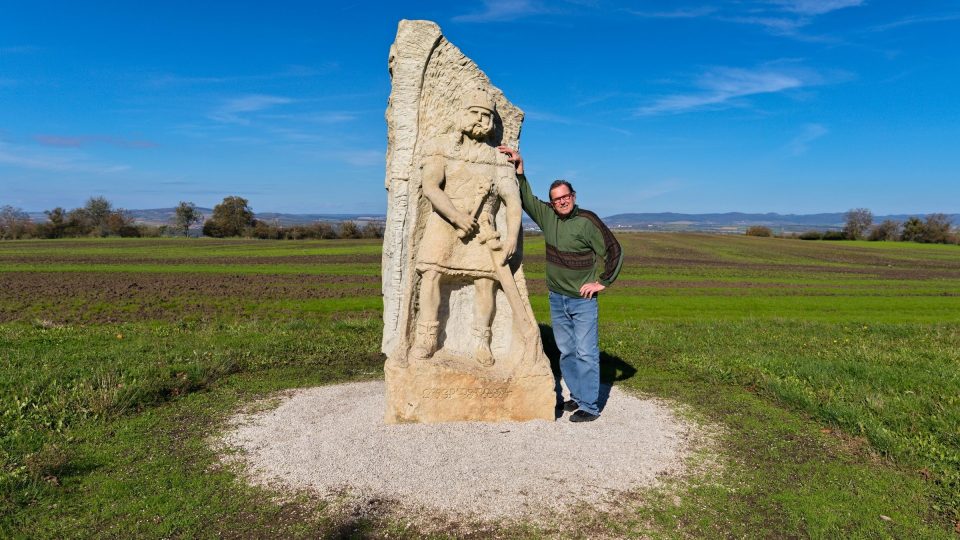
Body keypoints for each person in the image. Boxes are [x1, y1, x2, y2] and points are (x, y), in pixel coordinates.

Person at [497, 146, 623, 422]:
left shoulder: (587, 221)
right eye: (556, 199)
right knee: (567, 352)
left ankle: (590, 406)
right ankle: (578, 396)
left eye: (565, 197)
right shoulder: (549, 217)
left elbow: (614, 250)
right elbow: (528, 200)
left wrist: (603, 282)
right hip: (557, 298)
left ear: (573, 197)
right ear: (552, 203)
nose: (562, 202)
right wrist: (520, 170)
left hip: (582, 300)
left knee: (586, 352)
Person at [410, 90, 521, 366]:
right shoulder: (442, 148)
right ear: (462, 114)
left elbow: (513, 201)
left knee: (485, 282)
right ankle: (426, 337)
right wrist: (457, 216)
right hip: (445, 222)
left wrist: (513, 239)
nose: (481, 120)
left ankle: (482, 341)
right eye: (475, 113)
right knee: (432, 275)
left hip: (483, 229)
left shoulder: (497, 159)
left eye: (487, 116)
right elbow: (431, 187)